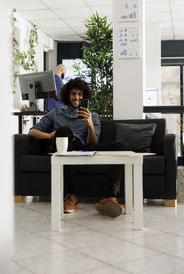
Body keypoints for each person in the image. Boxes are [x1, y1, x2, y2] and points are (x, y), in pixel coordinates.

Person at [29, 78, 125, 218]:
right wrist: (50, 136)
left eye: (80, 94)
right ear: (68, 95)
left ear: (84, 97)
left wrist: (90, 124)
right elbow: (32, 131)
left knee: (119, 146)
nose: (77, 97)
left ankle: (109, 198)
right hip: (63, 145)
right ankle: (70, 196)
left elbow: (93, 142)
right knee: (64, 130)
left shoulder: (93, 116)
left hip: (83, 147)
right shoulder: (56, 113)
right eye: (74, 93)